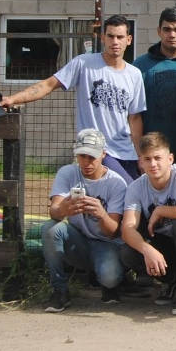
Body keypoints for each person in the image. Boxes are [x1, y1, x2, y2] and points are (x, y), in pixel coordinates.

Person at [0, 14, 145, 182]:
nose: (115, 41)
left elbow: (135, 118)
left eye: (120, 37)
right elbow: (48, 85)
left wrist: (140, 154)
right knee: (127, 189)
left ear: (129, 39)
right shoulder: (84, 63)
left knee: (135, 196)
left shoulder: (134, 74)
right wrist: (13, 99)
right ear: (103, 38)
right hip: (97, 150)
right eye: (111, 36)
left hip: (126, 151)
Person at [119, 132, 176, 315]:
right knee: (128, 252)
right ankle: (171, 280)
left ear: (170, 158)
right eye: (147, 159)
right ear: (141, 162)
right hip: (165, 243)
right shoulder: (136, 187)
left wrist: (161, 210)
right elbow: (127, 228)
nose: (153, 164)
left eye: (158, 158)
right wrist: (147, 249)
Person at [41, 128, 128, 312]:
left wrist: (101, 214)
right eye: (82, 156)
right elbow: (54, 212)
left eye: (92, 157)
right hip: (78, 238)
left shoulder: (116, 183)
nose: (86, 162)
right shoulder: (67, 173)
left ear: (103, 154)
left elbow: (113, 231)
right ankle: (59, 290)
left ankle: (110, 284)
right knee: (50, 228)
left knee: (110, 277)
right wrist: (64, 208)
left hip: (106, 243)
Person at [134, 7, 176, 167]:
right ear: (159, 31)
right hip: (152, 156)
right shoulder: (140, 66)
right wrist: (139, 153)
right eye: (167, 29)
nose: (172, 35)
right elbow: (133, 116)